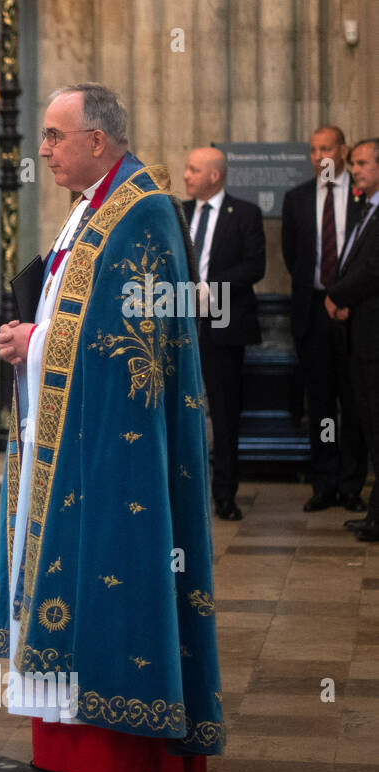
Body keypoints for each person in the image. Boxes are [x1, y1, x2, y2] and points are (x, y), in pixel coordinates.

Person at [0, 83, 224, 772]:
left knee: (113, 571)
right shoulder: (93, 206)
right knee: (68, 576)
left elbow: (136, 345)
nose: (44, 149)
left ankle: (122, 752)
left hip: (117, 447)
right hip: (68, 430)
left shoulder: (142, 210)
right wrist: (37, 338)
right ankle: (67, 744)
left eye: (56, 135)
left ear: (99, 140)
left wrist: (37, 339)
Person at [282, 126, 368, 513]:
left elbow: (368, 257)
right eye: (314, 149)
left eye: (327, 148)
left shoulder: (362, 197)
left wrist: (347, 295)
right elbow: (293, 257)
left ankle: (352, 484)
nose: (320, 157)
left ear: (344, 151)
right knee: (319, 402)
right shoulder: (297, 198)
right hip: (312, 311)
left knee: (353, 400)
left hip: (354, 311)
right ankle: (324, 482)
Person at [182, 146, 266, 521]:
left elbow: (254, 266)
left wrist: (209, 286)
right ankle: (182, 492)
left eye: (193, 170)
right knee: (179, 412)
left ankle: (225, 495)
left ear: (215, 175)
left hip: (224, 325)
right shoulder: (178, 212)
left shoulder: (245, 213)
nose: (186, 175)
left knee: (226, 414)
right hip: (179, 324)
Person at [330, 139, 379, 541]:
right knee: (368, 425)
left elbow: (374, 268)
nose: (355, 170)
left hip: (373, 337)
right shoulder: (368, 208)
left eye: (362, 163)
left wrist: (338, 295)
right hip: (360, 333)